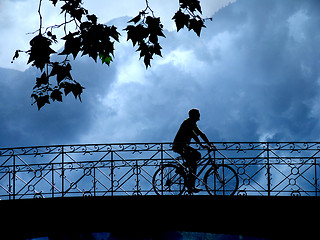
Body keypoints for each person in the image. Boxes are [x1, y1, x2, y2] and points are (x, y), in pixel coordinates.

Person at [173, 108, 213, 193]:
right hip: (180, 145)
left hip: (183, 145)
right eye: (198, 113)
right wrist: (202, 145)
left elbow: (201, 134)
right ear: (194, 115)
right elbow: (194, 135)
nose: (199, 115)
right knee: (194, 164)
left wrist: (209, 144)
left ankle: (186, 174)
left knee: (197, 156)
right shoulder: (188, 122)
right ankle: (190, 185)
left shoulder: (192, 123)